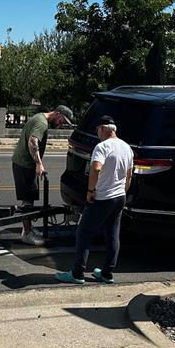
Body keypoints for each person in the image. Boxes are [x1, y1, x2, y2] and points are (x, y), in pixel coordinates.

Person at [55, 115, 133, 284]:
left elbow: (96, 168)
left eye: (97, 129)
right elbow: (129, 175)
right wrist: (123, 191)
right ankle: (107, 273)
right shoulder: (126, 147)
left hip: (102, 197)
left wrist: (90, 191)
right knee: (112, 234)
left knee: (84, 233)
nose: (97, 133)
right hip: (119, 196)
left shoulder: (102, 147)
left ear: (103, 129)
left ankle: (77, 273)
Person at [11, 105, 75, 245]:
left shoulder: (40, 118)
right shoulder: (41, 123)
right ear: (57, 114)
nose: (61, 124)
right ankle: (27, 234)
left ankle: (27, 229)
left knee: (29, 199)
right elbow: (33, 141)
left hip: (25, 164)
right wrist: (39, 163)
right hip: (25, 165)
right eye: (62, 121)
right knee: (27, 202)